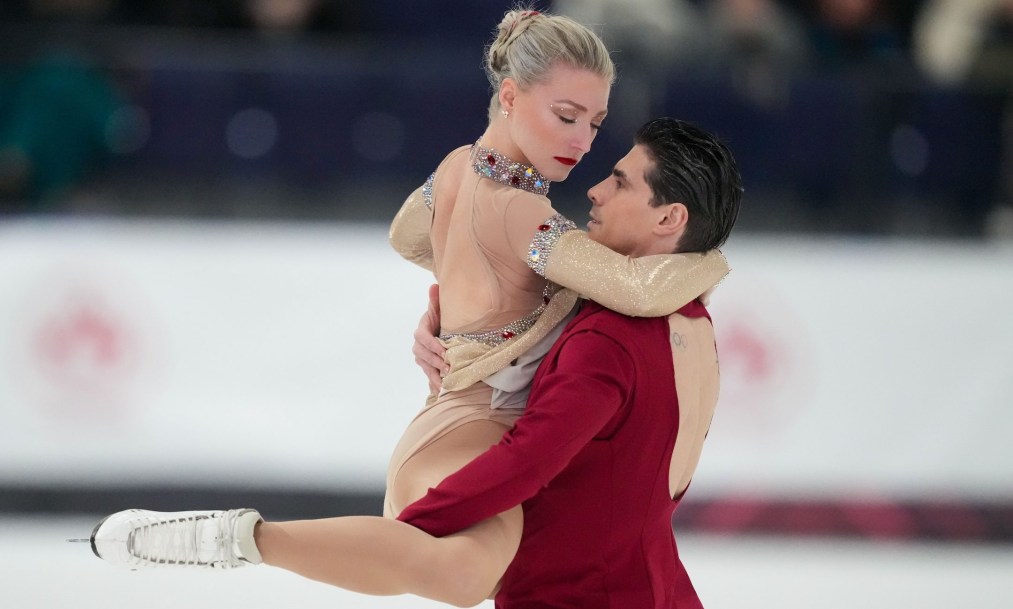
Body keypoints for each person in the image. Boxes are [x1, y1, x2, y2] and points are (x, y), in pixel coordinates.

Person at [87, 9, 729, 607]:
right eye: (566, 115)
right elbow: (637, 289)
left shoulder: (457, 167)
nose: (583, 142)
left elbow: (407, 232)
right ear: (510, 96)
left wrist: (458, 295)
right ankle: (235, 539)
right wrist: (709, 257)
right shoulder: (523, 210)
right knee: (464, 573)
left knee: (468, 576)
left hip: (459, 421)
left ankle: (241, 539)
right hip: (473, 425)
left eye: (593, 121)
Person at [399, 117, 741, 608]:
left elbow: (526, 461)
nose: (596, 191)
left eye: (620, 182)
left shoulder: (611, 336)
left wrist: (407, 531)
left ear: (669, 219)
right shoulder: (690, 320)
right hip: (655, 587)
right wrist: (453, 330)